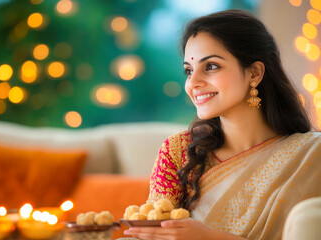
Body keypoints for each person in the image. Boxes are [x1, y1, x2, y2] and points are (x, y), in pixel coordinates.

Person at [123, 9, 321, 240]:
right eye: (188, 70)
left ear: (254, 73)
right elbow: (148, 233)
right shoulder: (179, 152)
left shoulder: (311, 156)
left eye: (211, 66)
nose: (193, 83)